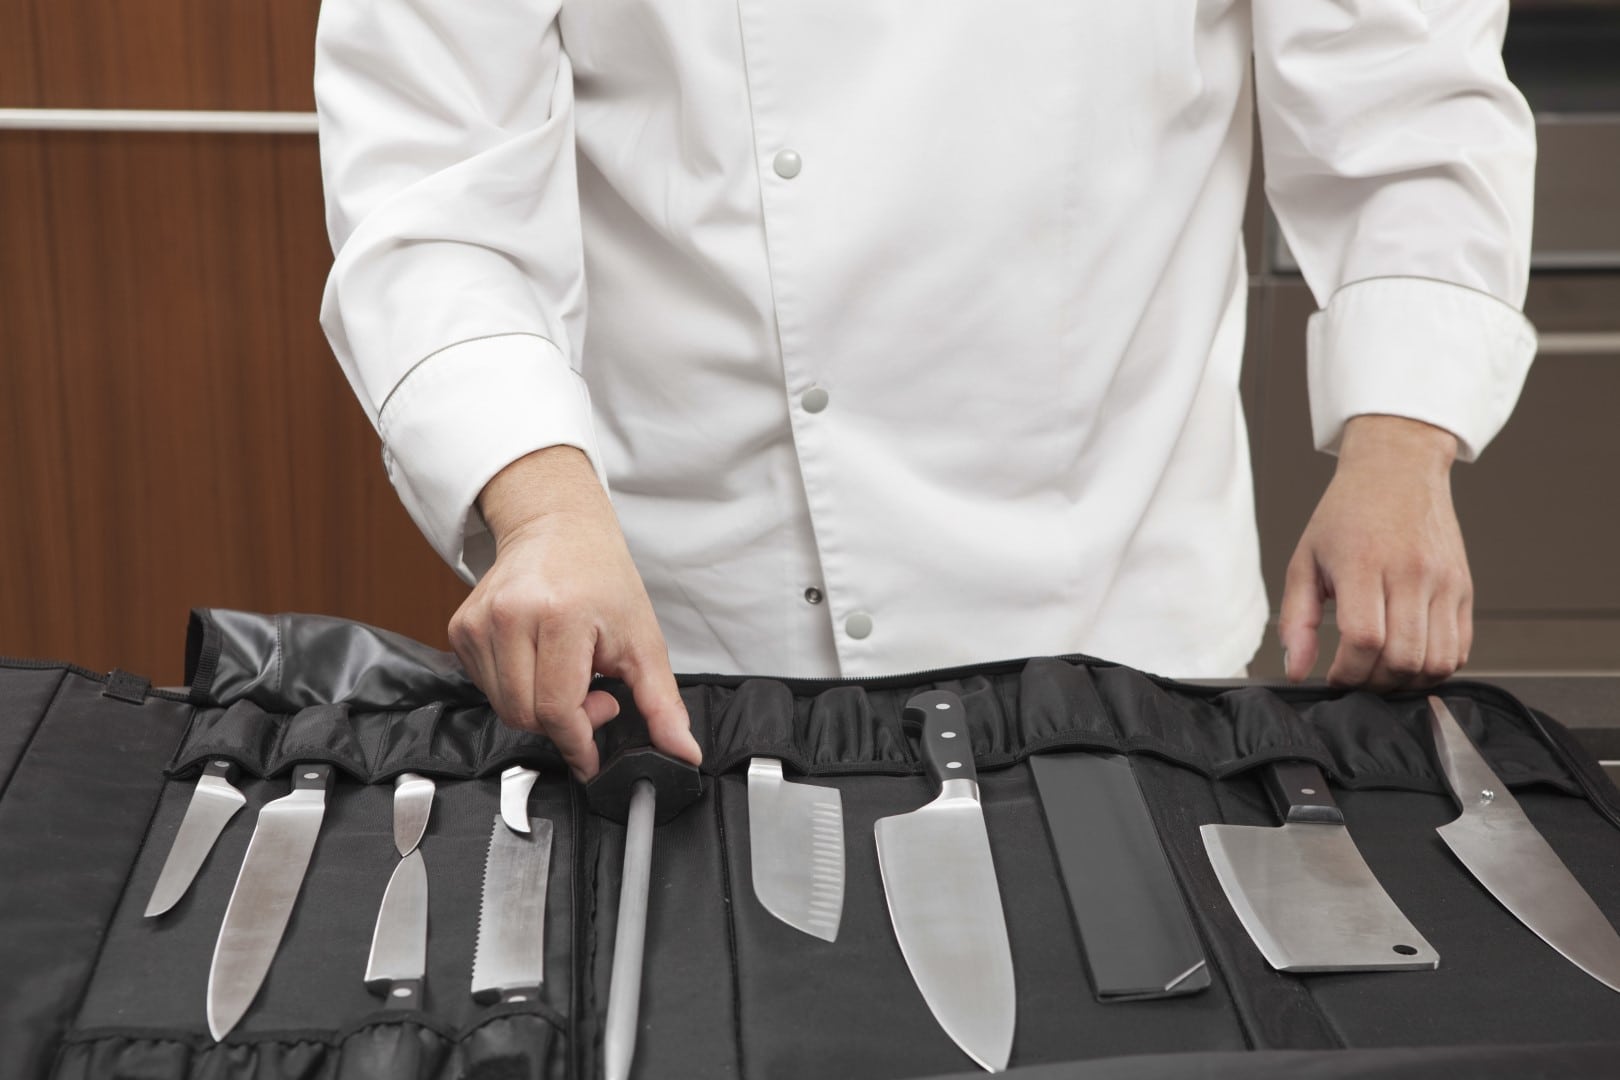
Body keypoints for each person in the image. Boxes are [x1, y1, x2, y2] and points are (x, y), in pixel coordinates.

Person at [313, 2, 1536, 781]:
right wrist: (540, 512)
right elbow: (433, 184)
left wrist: (1400, 442)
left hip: (1108, 598)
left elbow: (1407, 103)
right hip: (684, 618)